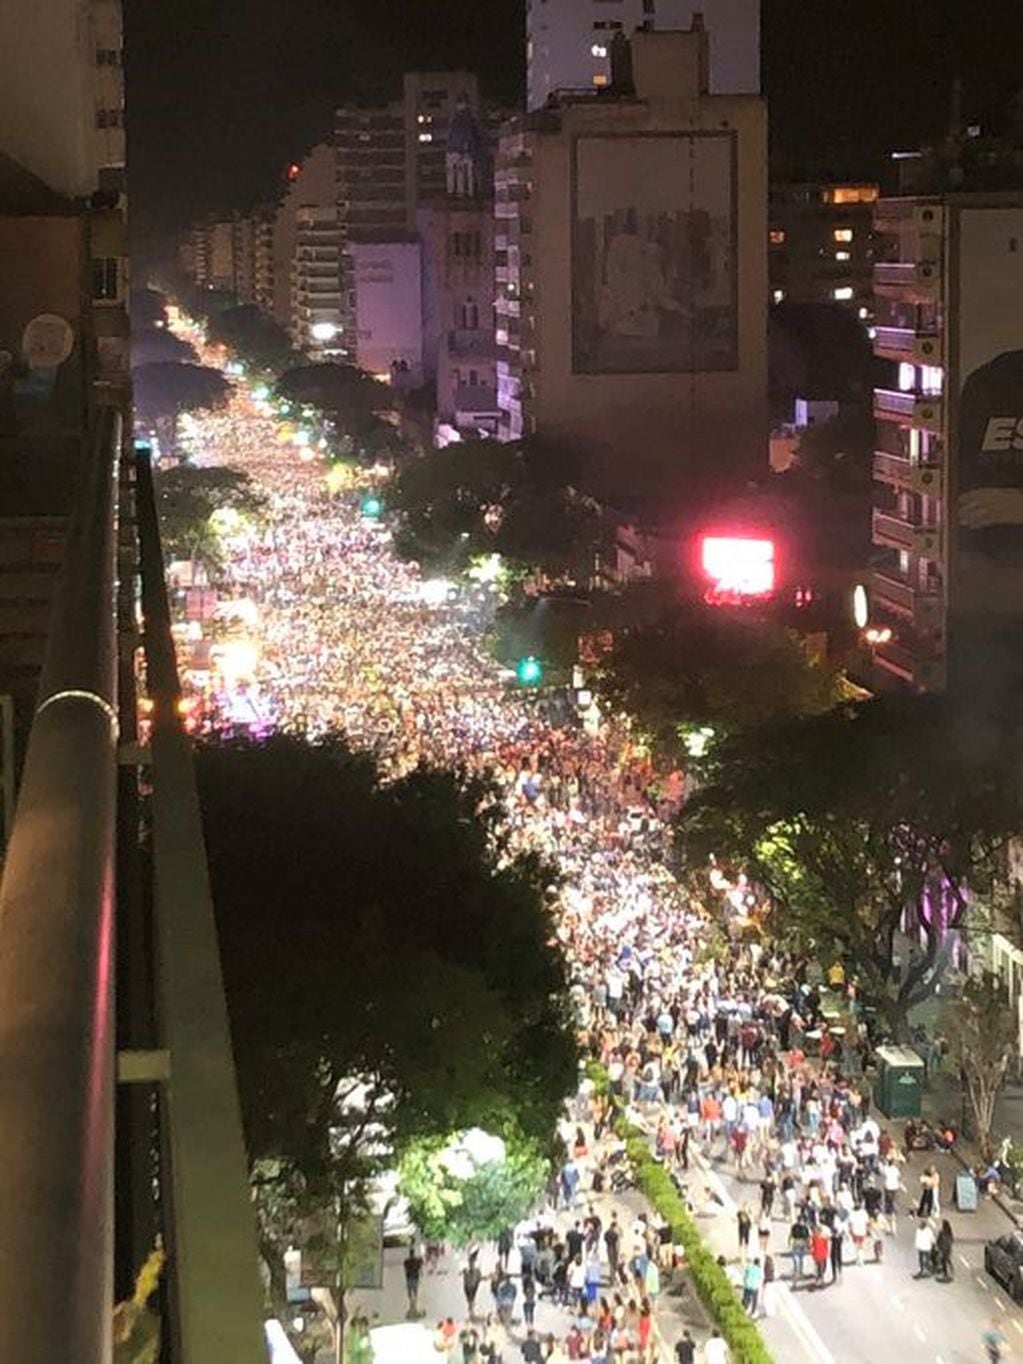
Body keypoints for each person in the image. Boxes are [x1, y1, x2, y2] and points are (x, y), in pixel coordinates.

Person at [403, 1244, 424, 1318]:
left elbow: (405, 1269)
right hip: (415, 1277)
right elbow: (420, 1267)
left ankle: (411, 1302)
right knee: (415, 1290)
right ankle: (414, 1302)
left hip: (409, 1277)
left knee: (409, 1290)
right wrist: (421, 1273)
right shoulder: (416, 1260)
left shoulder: (407, 1261)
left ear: (410, 1254)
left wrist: (406, 1274)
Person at [463, 1252, 483, 1320]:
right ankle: (471, 1312)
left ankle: (471, 1312)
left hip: (471, 1287)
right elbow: (479, 1278)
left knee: (471, 1300)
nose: (471, 1264)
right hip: (469, 1287)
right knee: (470, 1300)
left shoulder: (475, 1271)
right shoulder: (467, 1270)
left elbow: (479, 1278)